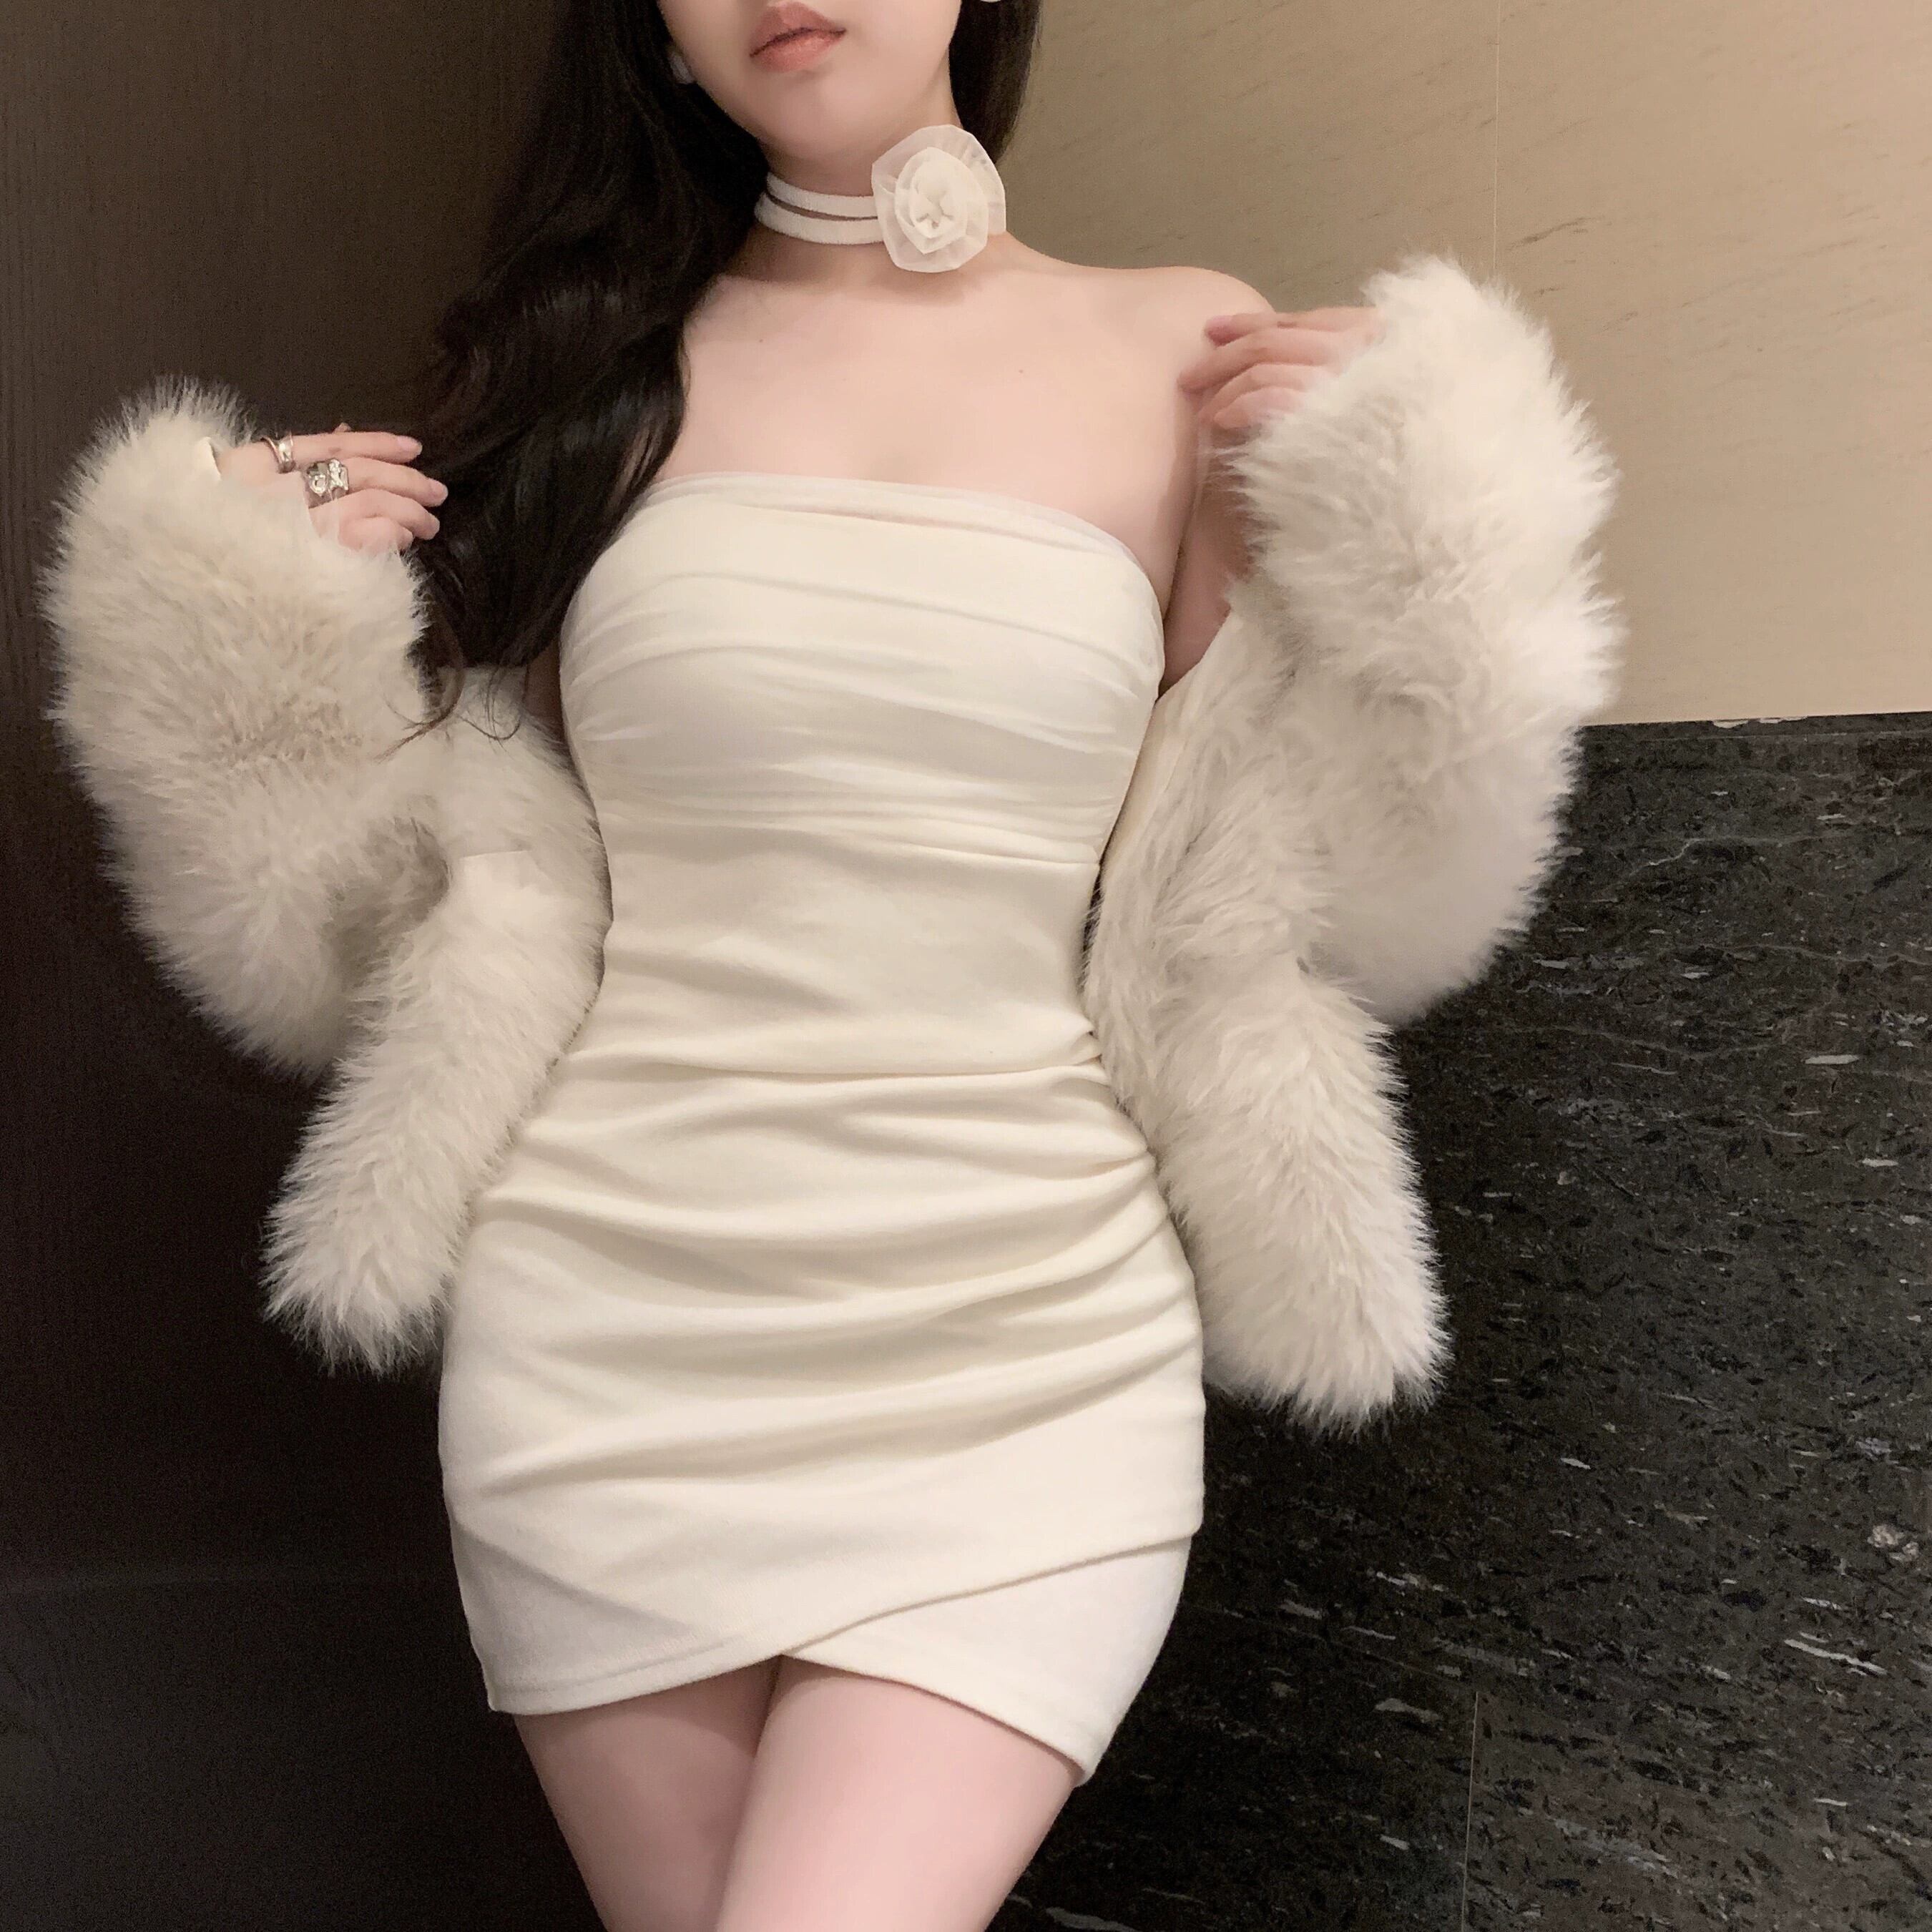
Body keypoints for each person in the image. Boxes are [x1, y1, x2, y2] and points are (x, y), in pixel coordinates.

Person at [39, 3, 1625, 1926]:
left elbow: (1357, 892)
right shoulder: (589, 388)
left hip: (1030, 1338)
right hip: (612, 1344)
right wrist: (243, 636)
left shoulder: (1186, 350)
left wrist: (1436, 525)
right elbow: (353, 940)